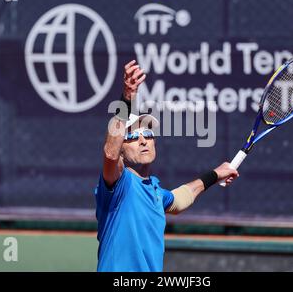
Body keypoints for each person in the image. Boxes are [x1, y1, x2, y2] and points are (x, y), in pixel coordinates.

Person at [95, 60, 239, 272]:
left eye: (148, 134)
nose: (143, 141)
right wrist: (127, 97)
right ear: (122, 152)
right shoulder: (118, 185)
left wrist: (216, 174)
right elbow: (110, 152)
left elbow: (179, 200)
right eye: (133, 136)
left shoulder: (156, 191)